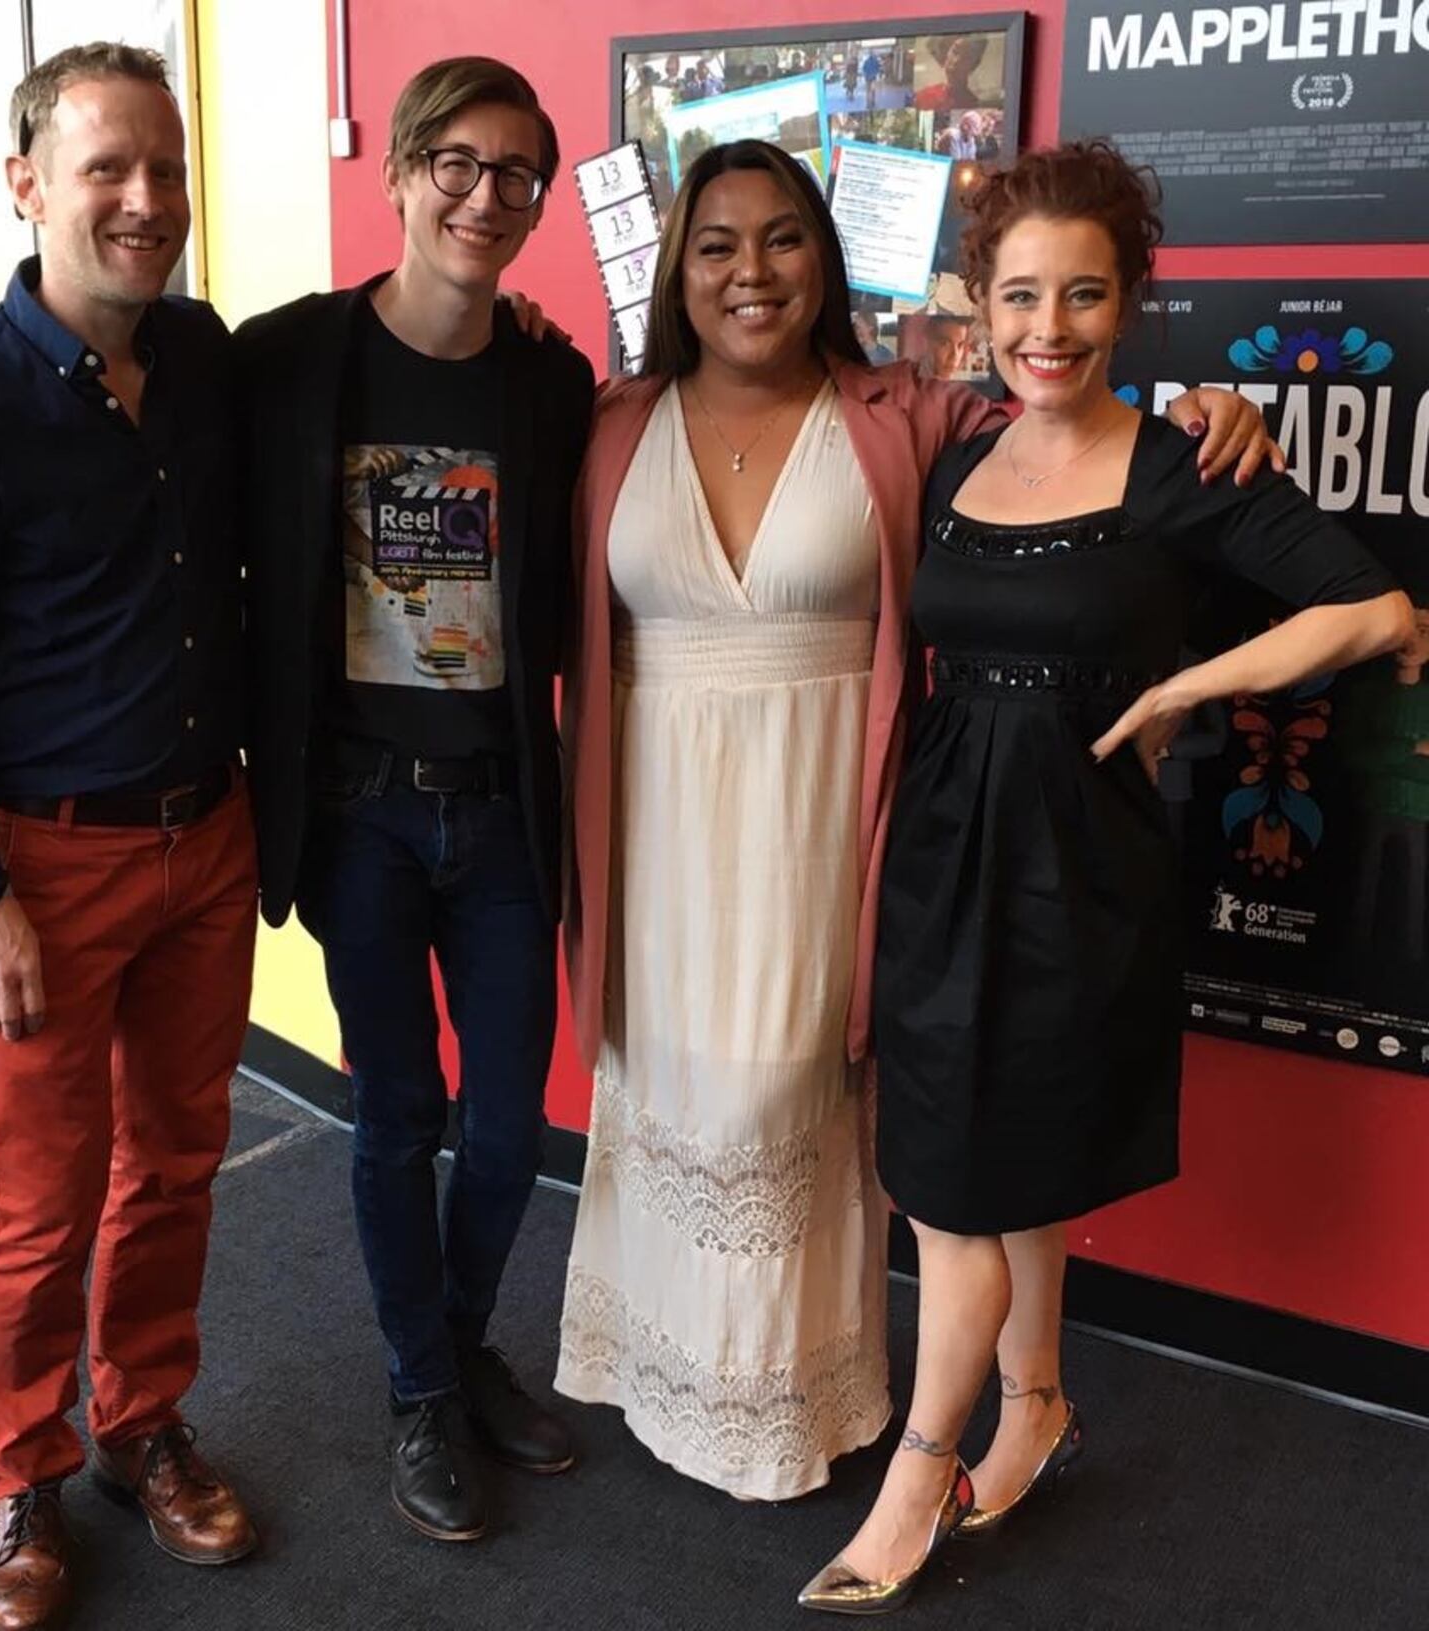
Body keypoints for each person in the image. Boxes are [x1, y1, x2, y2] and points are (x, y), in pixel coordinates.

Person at [556, 137, 1272, 1503]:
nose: (750, 270)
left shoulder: (908, 413)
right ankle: (672, 1378)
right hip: (656, 827)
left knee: (792, 1089)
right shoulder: (607, 421)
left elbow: (1082, 437)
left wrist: (1215, 411)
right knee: (672, 1083)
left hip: (837, 818)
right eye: (716, 243)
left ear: (824, 258)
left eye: (781, 239)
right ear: (677, 268)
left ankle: (795, 1399)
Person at [800, 140, 1410, 1614]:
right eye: (1019, 295)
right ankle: (1041, 1403)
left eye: (1084, 294)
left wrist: (1183, 682)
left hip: (1083, 863)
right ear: (976, 298)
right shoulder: (957, 450)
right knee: (989, 1159)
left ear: (1131, 298)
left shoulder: (1181, 462)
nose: (1048, 327)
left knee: (965, 1185)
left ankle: (918, 1473)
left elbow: (1380, 607)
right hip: (944, 845)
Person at [0, 43, 260, 1631]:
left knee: (176, 1163)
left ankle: (141, 1419)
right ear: (28, 186)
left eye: (164, 168)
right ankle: (16, 1468)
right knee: (39, 1198)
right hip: (45, 868)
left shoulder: (207, 357)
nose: (145, 201)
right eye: (107, 169)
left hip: (205, 842)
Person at [235, 57, 594, 1545]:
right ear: (398, 169)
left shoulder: (550, 380)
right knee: (400, 1114)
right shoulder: (285, 358)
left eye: (518, 172)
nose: (486, 196)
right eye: (458, 162)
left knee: (507, 1129)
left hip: (504, 811)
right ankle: (417, 1387)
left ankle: (453, 1341)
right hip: (363, 814)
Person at [913, 34, 989, 111]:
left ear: (974, 65)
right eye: (955, 51)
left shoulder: (973, 105)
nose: (956, 61)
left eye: (966, 57)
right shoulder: (923, 97)